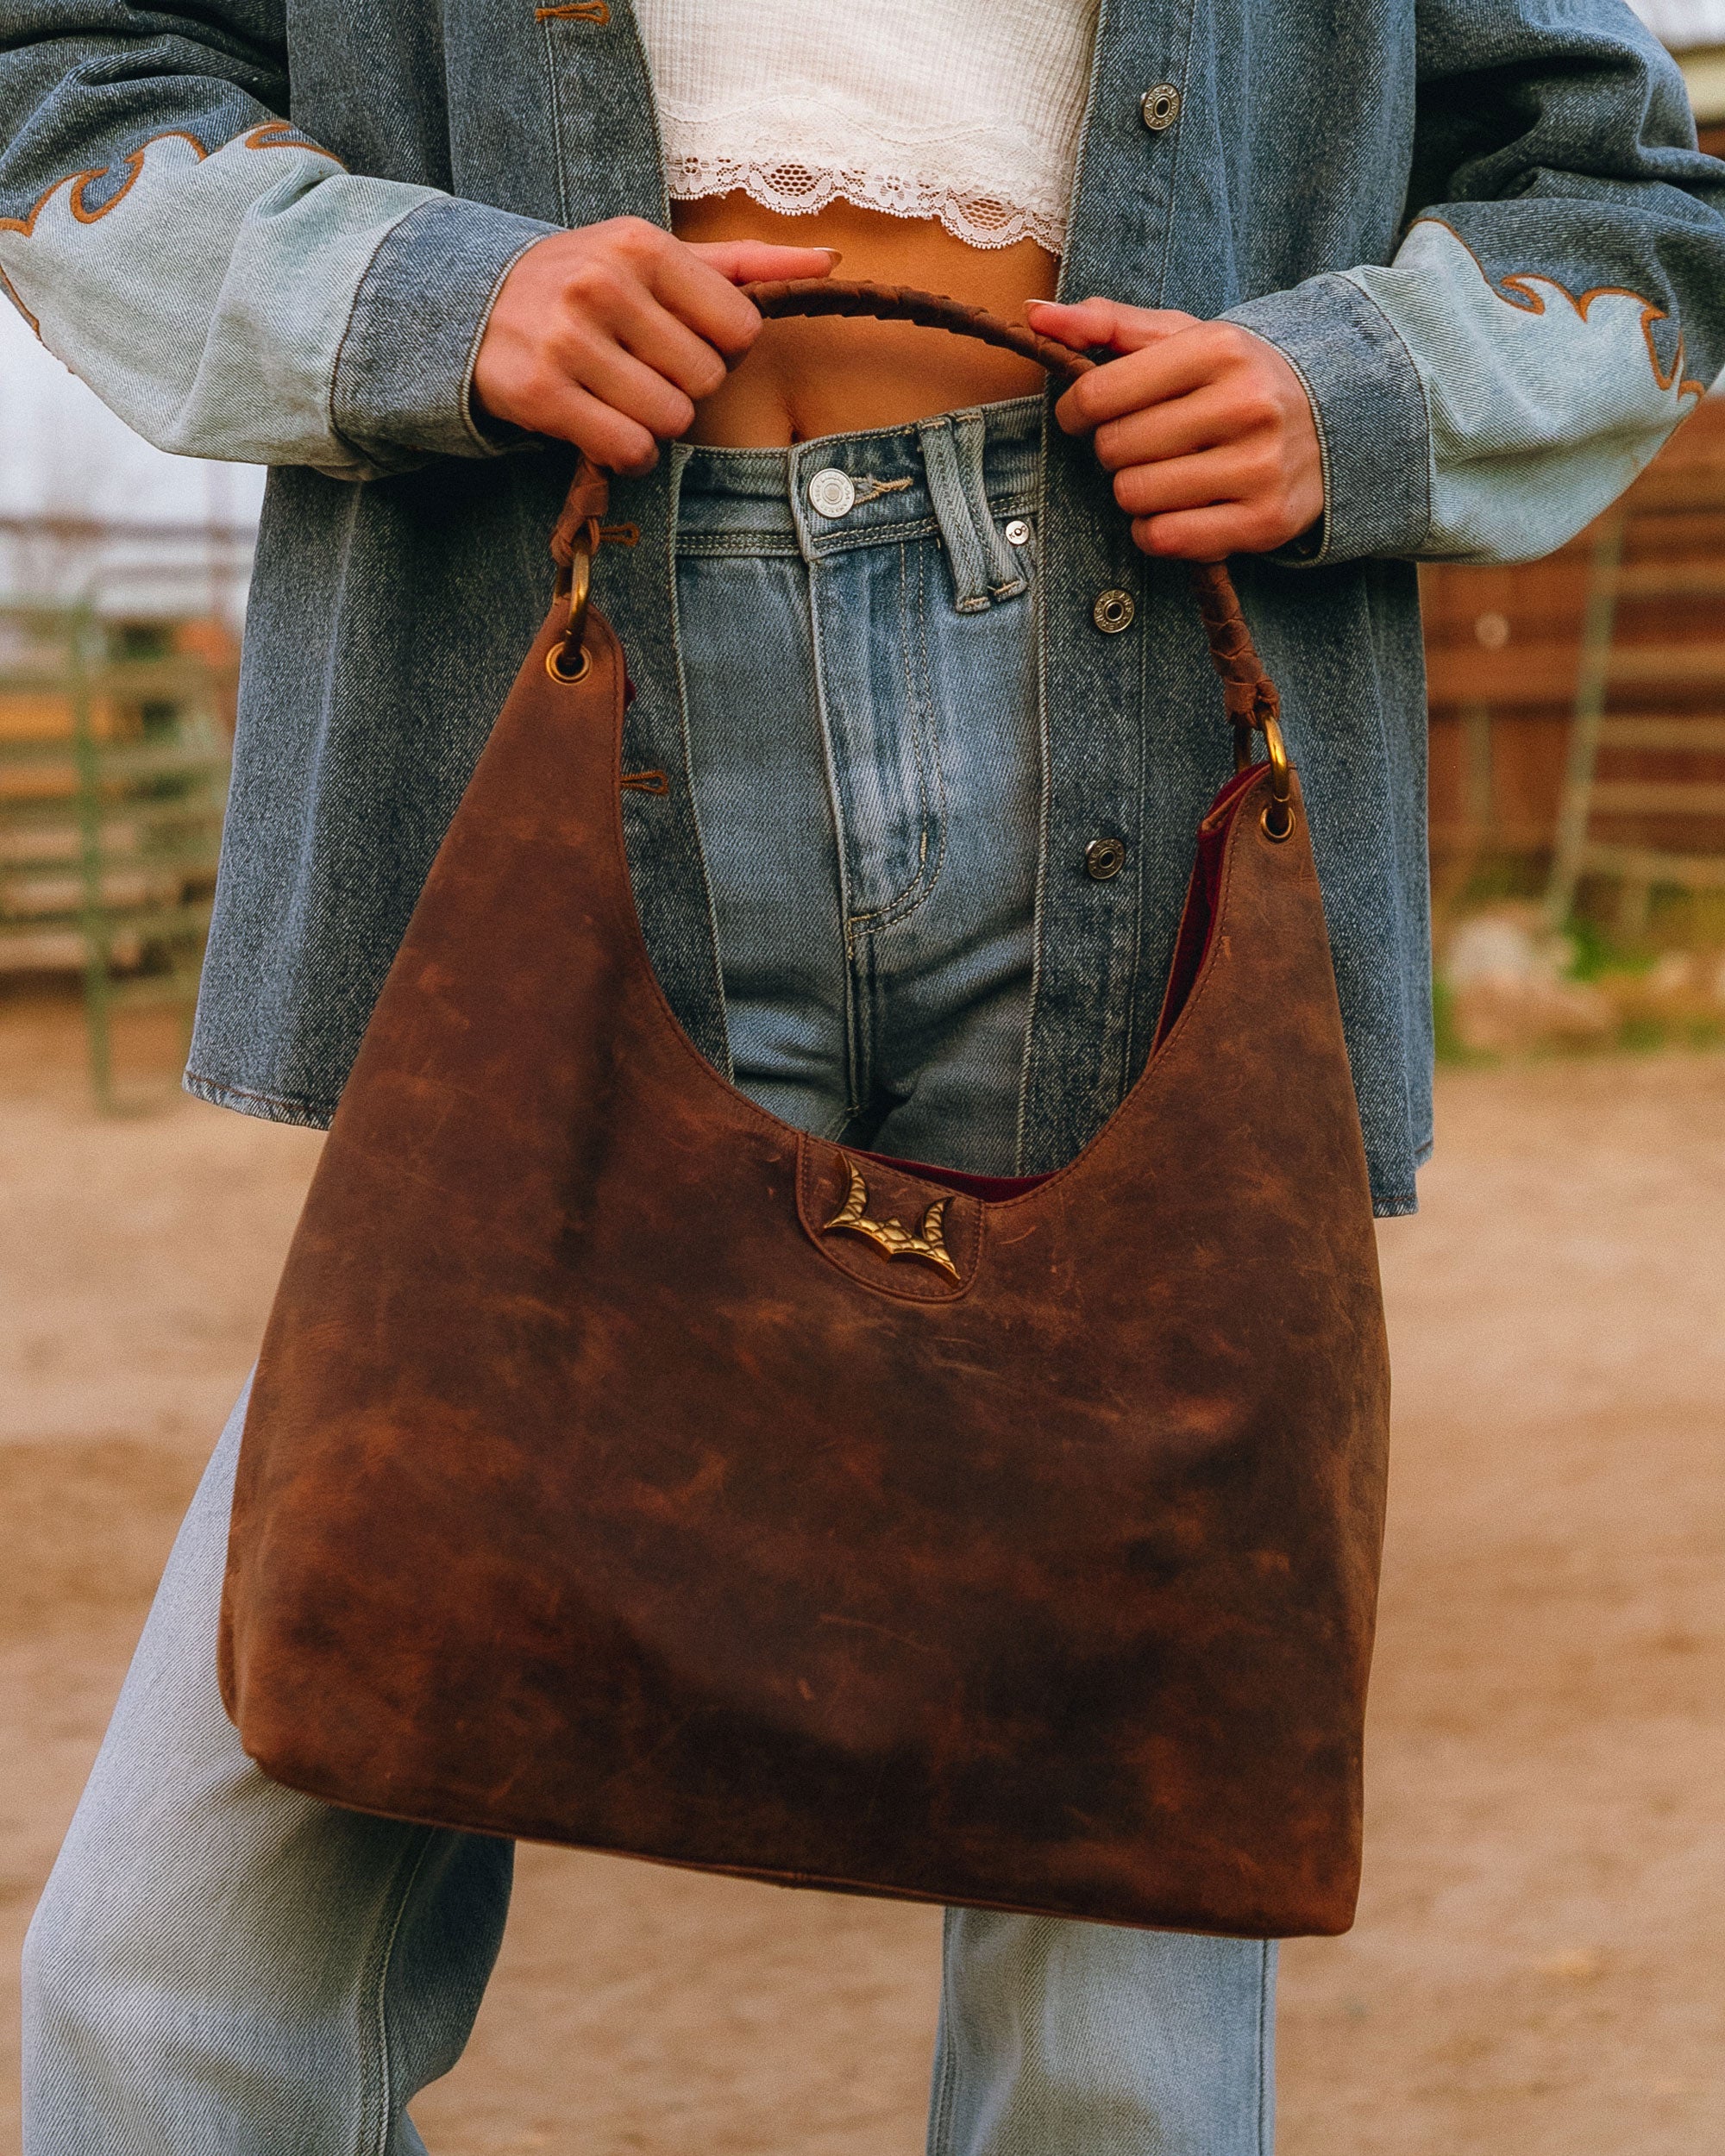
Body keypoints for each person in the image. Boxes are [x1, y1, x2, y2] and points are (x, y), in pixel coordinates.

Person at [3, 3, 1722, 2149]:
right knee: (171, 1992)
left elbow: (1623, 190)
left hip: (1140, 718)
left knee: (1119, 2064)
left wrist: (1360, 394)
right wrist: (419, 294)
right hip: (555, 682)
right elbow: (67, 59)